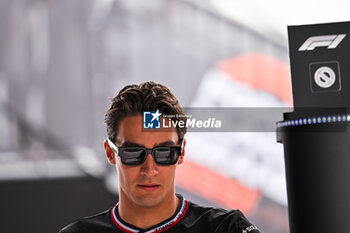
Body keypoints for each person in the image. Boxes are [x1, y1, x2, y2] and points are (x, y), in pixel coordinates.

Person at [59, 81, 261, 233]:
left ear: (181, 153)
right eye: (134, 153)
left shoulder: (226, 229)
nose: (149, 169)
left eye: (164, 153)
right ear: (111, 153)